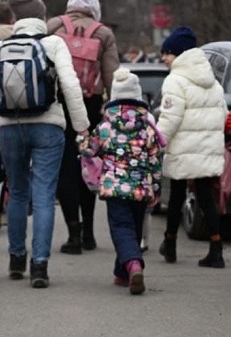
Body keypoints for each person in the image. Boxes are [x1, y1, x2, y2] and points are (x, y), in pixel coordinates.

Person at [0, 0, 89, 288]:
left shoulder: (2, 45)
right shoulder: (54, 43)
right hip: (48, 126)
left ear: (16, 19)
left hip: (10, 127)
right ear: (42, 18)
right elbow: (70, 84)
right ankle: (40, 266)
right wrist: (81, 125)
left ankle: (16, 259)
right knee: (44, 195)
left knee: (17, 193)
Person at [47, 0, 120, 255]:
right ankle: (89, 233)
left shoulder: (54, 25)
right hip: (89, 106)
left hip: (59, 103)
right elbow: (112, 75)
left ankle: (73, 233)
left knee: (65, 167)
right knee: (88, 165)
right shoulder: (103, 33)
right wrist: (113, 111)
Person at [78, 67, 162, 295]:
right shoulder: (148, 128)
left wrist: (82, 139)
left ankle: (134, 265)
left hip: (114, 187)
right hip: (142, 187)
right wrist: (156, 187)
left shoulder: (105, 128)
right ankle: (122, 273)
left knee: (121, 228)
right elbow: (155, 160)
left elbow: (88, 150)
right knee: (133, 230)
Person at [156, 26, 228, 267]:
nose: (164, 58)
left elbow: (170, 119)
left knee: (176, 197)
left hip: (183, 149)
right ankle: (216, 249)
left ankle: (170, 245)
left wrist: (155, 143)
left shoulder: (175, 80)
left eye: (167, 53)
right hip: (207, 149)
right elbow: (224, 114)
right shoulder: (213, 82)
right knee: (207, 197)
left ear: (179, 53)